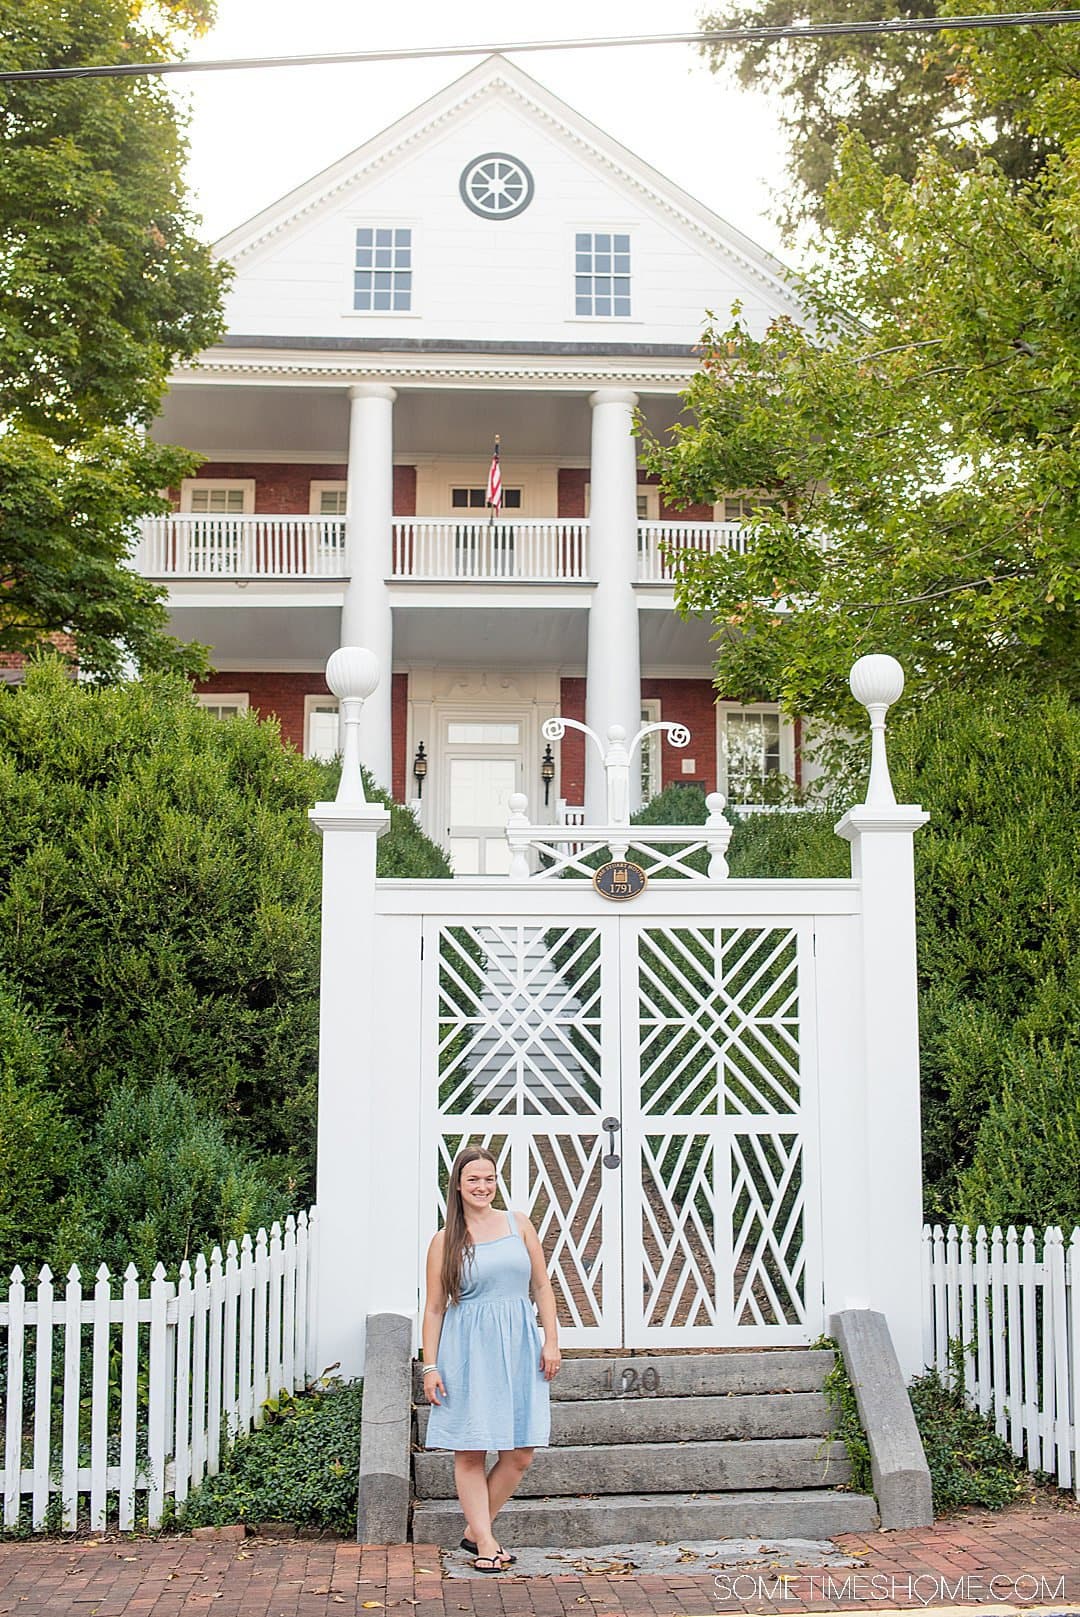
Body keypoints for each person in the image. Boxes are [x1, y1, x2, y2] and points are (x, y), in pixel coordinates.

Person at [422, 1145, 561, 1573]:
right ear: (458, 1187)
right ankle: (484, 1541)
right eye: (473, 1180)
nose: (482, 1186)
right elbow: (435, 1308)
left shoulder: (519, 1224)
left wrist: (551, 1340)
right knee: (470, 1451)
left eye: (489, 1178)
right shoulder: (445, 1241)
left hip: (519, 1345)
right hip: (467, 1351)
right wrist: (430, 1366)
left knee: (521, 1452)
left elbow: (541, 1287)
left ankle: (472, 1531)